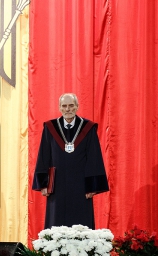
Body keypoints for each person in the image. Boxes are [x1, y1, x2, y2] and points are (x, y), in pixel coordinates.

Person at [33, 93, 109, 228]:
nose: (68, 109)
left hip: (80, 183)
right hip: (56, 183)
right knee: (56, 222)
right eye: (64, 106)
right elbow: (44, 156)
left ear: (77, 107)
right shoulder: (50, 128)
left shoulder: (88, 128)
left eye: (71, 106)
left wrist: (92, 186)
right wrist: (43, 184)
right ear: (59, 108)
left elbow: (94, 157)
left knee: (81, 221)